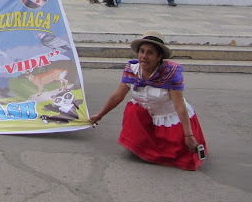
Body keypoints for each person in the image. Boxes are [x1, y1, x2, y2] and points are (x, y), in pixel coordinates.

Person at [89, 31, 207, 171]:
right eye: (142, 51)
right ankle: (144, 143)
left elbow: (180, 106)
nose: (144, 57)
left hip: (169, 116)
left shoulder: (170, 75)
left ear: (159, 57)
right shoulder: (132, 70)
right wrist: (99, 115)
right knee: (134, 108)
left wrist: (188, 135)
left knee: (183, 157)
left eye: (150, 53)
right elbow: (118, 96)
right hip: (149, 114)